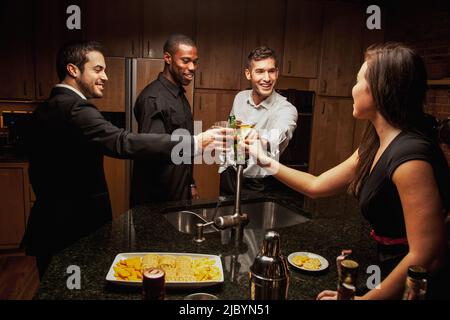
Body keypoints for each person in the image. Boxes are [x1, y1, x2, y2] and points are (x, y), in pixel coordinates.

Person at [245, 43, 450, 299]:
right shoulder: (375, 143)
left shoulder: (411, 158)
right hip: (388, 279)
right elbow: (316, 185)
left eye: (357, 80)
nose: (352, 89)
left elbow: (425, 257)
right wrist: (264, 160)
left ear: (379, 89)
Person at [22, 40, 228, 278]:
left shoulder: (44, 109)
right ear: (73, 70)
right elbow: (124, 142)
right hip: (75, 227)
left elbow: (37, 170)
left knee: (54, 288)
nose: (105, 77)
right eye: (97, 69)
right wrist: (193, 142)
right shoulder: (76, 109)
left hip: (47, 224)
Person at [219, 46, 298, 195]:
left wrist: (259, 138)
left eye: (271, 71)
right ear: (248, 74)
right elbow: (233, 132)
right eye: (260, 71)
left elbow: (280, 135)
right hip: (229, 175)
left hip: (258, 184)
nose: (267, 78)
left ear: (277, 73)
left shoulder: (287, 109)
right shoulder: (240, 98)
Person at [131, 34, 199, 205]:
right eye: (185, 61)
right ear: (167, 58)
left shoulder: (180, 97)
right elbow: (153, 152)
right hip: (157, 200)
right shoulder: (153, 99)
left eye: (194, 61)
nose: (192, 67)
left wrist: (190, 183)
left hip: (179, 195)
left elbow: (183, 152)